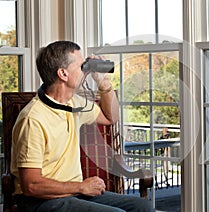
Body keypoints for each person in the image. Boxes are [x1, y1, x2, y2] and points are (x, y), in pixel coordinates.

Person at [10, 40, 154, 212]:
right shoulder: (33, 119)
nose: (87, 70)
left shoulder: (73, 103)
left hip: (74, 192)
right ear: (63, 73)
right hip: (39, 200)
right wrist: (80, 187)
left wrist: (104, 82)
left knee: (142, 206)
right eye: (82, 66)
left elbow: (110, 118)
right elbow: (31, 185)